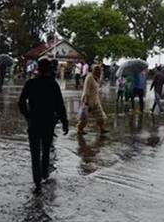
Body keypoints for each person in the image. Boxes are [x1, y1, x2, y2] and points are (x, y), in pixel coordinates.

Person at [18, 58, 69, 193]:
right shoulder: (53, 85)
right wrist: (64, 122)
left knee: (35, 153)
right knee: (46, 150)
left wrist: (28, 116)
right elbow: (60, 106)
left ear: (38, 69)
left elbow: (21, 102)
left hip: (34, 122)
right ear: (49, 69)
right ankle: (44, 175)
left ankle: (37, 182)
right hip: (48, 123)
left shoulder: (30, 83)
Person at [77, 64, 107, 135]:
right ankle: (80, 129)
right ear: (94, 70)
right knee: (84, 118)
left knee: (100, 115)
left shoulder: (96, 78)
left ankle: (101, 128)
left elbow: (96, 89)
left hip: (95, 100)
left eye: (100, 71)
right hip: (88, 100)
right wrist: (86, 102)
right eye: (98, 71)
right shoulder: (89, 77)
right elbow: (86, 90)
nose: (99, 72)